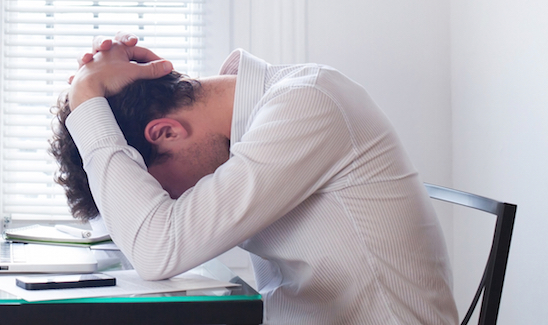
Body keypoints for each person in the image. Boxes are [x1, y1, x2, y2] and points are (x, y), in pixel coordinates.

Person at [51, 34, 457, 325]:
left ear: (167, 133)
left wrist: (88, 101)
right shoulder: (254, 110)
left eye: (163, 192)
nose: (172, 201)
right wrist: (125, 91)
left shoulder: (307, 104)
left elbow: (157, 248)